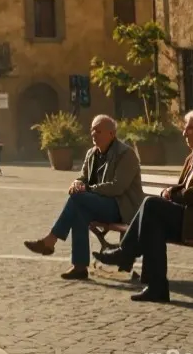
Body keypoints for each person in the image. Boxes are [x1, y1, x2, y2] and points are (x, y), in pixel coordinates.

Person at [94, 108, 193, 302]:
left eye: (189, 128)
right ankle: (156, 288)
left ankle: (125, 253)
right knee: (153, 223)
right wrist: (173, 194)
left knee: (152, 206)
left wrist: (171, 193)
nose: (184, 132)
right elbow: (186, 189)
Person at [22, 115, 144, 280]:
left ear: (111, 134)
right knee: (79, 209)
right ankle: (79, 267)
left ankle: (50, 241)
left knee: (78, 199)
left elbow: (118, 187)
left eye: (98, 131)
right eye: (92, 130)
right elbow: (83, 178)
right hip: (100, 203)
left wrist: (87, 189)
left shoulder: (126, 154)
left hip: (123, 207)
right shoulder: (92, 153)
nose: (94, 134)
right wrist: (76, 183)